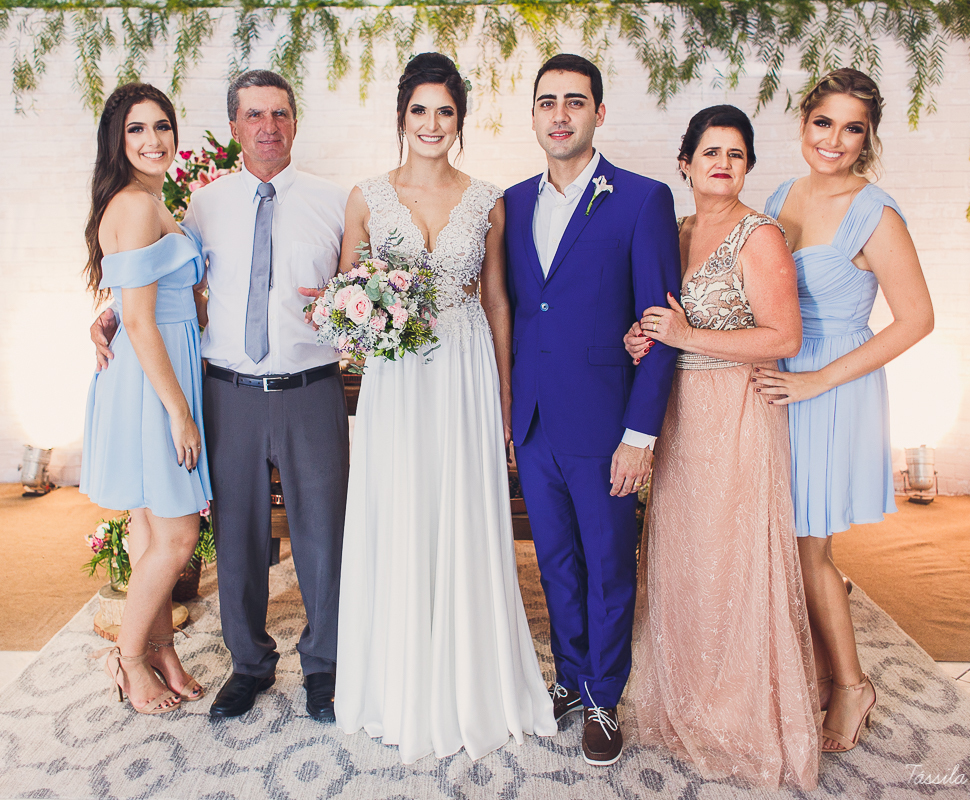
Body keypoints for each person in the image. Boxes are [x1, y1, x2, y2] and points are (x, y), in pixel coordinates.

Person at [91, 70, 349, 722]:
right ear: (234, 126)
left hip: (311, 389)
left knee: (323, 537)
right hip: (226, 392)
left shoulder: (335, 201)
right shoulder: (202, 204)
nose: (269, 126)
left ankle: (324, 668)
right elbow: (157, 286)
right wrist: (111, 315)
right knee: (235, 539)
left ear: (296, 122)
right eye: (255, 115)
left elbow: (358, 292)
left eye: (281, 113)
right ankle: (250, 664)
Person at [331, 52, 556, 764]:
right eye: (420, 110)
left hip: (461, 366)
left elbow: (496, 302)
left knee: (460, 513)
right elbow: (346, 294)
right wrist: (372, 318)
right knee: (400, 510)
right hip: (398, 379)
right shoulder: (366, 196)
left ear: (461, 120)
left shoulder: (488, 198)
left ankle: (468, 681)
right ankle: (394, 682)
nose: (432, 124)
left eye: (446, 111)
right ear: (402, 115)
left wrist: (504, 401)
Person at [622, 105, 818, 789]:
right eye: (710, 151)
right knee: (684, 559)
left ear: (747, 167)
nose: (722, 163)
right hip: (679, 414)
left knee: (733, 562)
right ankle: (688, 705)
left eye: (736, 154)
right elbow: (660, 320)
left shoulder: (758, 236)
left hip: (735, 411)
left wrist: (685, 339)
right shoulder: (674, 231)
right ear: (684, 162)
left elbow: (784, 337)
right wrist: (642, 338)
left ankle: (739, 715)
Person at [503, 53, 680, 766]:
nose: (560, 114)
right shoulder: (511, 203)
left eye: (575, 102)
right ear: (535, 115)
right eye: (547, 102)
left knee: (609, 564)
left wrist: (639, 434)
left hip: (607, 422)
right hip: (537, 422)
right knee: (555, 564)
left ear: (599, 114)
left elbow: (660, 326)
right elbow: (517, 308)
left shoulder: (641, 198)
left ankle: (606, 693)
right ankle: (571, 679)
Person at [754, 68, 934, 753]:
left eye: (852, 128)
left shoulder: (875, 212)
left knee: (810, 546)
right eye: (823, 122)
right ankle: (824, 675)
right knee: (789, 539)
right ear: (804, 125)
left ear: (869, 138)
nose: (834, 140)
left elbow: (916, 319)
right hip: (783, 378)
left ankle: (853, 687)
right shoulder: (780, 193)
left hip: (832, 384)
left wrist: (818, 379)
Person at [81, 83, 210, 715]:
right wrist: (179, 410)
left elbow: (132, 301)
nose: (154, 140)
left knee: (151, 527)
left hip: (150, 369)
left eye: (162, 125)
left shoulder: (146, 199)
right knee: (179, 534)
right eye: (137, 129)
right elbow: (138, 320)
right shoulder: (134, 204)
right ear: (117, 139)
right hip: (156, 379)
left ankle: (163, 650)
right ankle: (127, 658)